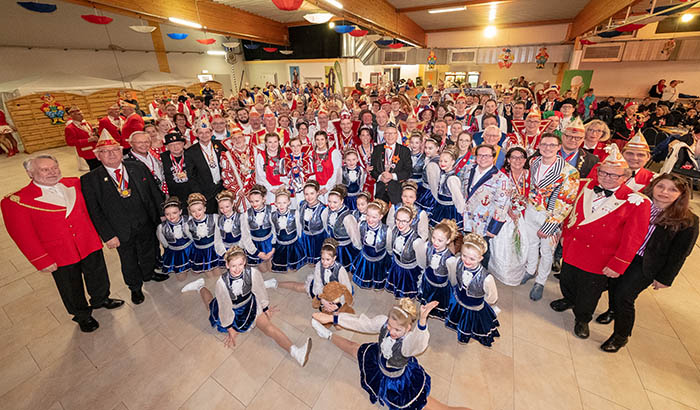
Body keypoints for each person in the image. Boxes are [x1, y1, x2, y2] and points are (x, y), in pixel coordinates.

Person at [1, 155, 124, 333]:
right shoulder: (16, 201)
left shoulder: (74, 183)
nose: (52, 172)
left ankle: (101, 298)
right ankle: (82, 315)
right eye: (45, 169)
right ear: (30, 173)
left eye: (54, 168)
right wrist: (41, 260)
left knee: (97, 274)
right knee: (70, 286)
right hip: (59, 252)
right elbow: (23, 236)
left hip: (87, 242)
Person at [551, 144, 651, 340]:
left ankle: (582, 318)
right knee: (567, 279)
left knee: (590, 291)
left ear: (624, 178)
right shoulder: (581, 185)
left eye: (614, 175)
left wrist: (618, 264)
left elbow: (633, 238)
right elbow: (567, 210)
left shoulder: (637, 202)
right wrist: (564, 234)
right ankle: (568, 299)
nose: (606, 177)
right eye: (604, 172)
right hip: (573, 247)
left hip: (599, 257)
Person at [311, 299, 471, 410]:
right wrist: (332, 317)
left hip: (397, 381)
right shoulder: (383, 323)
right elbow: (361, 323)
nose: (391, 332)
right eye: (389, 326)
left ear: (408, 328)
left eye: (397, 330)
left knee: (435, 406)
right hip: (377, 359)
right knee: (354, 347)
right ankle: (327, 335)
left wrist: (422, 322)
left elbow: (419, 344)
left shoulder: (408, 343)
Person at [599, 174, 699, 352]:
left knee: (625, 296)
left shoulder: (688, 220)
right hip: (623, 254)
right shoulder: (637, 203)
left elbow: (680, 254)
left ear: (681, 194)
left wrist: (665, 278)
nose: (664, 192)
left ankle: (621, 336)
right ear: (653, 186)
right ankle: (612, 311)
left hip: (647, 263)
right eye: (661, 186)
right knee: (613, 284)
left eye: (672, 190)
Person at [180, 247, 312, 366]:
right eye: (233, 266)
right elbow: (224, 307)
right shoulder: (222, 283)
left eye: (240, 265)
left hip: (251, 306)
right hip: (232, 310)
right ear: (227, 265)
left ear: (245, 263)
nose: (237, 269)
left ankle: (296, 352)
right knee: (210, 305)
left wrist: (265, 308)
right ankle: (200, 286)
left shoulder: (252, 273)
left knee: (269, 327)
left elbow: (260, 291)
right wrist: (230, 328)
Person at [81, 132, 168, 305]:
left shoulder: (137, 167)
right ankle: (135, 288)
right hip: (120, 229)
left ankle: (149, 273)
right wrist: (107, 235)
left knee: (149, 250)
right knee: (128, 260)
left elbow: (153, 192)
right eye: (105, 151)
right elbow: (94, 211)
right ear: (97, 156)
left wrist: (161, 212)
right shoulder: (90, 179)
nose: (112, 154)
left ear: (122, 152)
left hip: (145, 221)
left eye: (115, 150)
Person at [520, 133, 579, 301]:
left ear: (559, 147)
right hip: (531, 210)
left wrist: (550, 225)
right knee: (531, 243)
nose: (547, 148)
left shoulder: (570, 172)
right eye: (544, 144)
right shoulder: (534, 162)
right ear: (538, 146)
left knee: (546, 251)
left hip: (550, 216)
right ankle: (531, 270)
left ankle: (540, 281)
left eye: (552, 145)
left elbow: (566, 202)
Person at [445, 233, 500, 346]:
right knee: (458, 317)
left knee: (470, 324)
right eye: (464, 255)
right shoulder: (459, 262)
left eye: (472, 258)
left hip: (474, 307)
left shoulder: (486, 278)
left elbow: (492, 297)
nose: (467, 260)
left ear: (480, 258)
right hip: (459, 299)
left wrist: (480, 302)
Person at [461, 144, 510, 267]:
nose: (483, 158)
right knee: (467, 250)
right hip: (467, 220)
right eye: (480, 155)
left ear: (493, 157)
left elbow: (502, 205)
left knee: (481, 253)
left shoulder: (501, 179)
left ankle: (480, 277)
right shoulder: (468, 170)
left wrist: (493, 228)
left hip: (484, 223)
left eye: (487, 155)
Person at [488, 146, 530, 285]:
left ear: (525, 160)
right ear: (507, 159)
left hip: (524, 215)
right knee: (502, 245)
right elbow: (494, 195)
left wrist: (522, 207)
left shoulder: (530, 174)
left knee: (522, 244)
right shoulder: (501, 174)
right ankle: (501, 273)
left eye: (520, 157)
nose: (517, 160)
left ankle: (518, 273)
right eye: (513, 157)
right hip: (504, 213)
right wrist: (508, 210)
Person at [417, 219, 459, 319]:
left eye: (440, 240)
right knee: (426, 297)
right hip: (428, 280)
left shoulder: (450, 258)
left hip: (440, 286)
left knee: (438, 302)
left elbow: (452, 278)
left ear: (448, 241)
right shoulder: (428, 247)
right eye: (434, 238)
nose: (435, 242)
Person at [351, 200, 392, 289]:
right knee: (366, 272)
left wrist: (389, 255)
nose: (370, 219)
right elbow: (359, 239)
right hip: (366, 256)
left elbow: (388, 246)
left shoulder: (387, 230)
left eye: (374, 217)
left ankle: (378, 285)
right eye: (368, 215)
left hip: (380, 259)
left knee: (378, 274)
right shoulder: (361, 225)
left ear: (381, 216)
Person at [371, 126, 412, 205]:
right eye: (387, 133)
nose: (390, 136)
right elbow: (372, 169)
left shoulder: (404, 150)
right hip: (380, 190)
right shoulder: (377, 149)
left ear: (397, 135)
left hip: (396, 190)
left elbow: (408, 171)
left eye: (393, 133)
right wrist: (380, 177)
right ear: (384, 135)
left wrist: (392, 176)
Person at [270, 188, 306, 273]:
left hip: (293, 242)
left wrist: (299, 238)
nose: (281, 205)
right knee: (281, 261)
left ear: (289, 203)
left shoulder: (295, 213)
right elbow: (273, 230)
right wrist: (274, 241)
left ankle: (294, 264)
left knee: (294, 262)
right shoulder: (272, 215)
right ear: (275, 203)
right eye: (279, 203)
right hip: (280, 243)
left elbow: (299, 227)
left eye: (284, 203)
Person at [157, 196, 193, 278]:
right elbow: (164, 243)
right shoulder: (161, 227)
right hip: (176, 252)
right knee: (181, 278)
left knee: (196, 271)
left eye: (174, 213)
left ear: (180, 211)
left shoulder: (188, 220)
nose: (171, 216)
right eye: (167, 214)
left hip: (190, 249)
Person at [311, 131, 342, 203]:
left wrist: (327, 187)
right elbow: (312, 173)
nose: (319, 142)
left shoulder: (334, 152)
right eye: (317, 139)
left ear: (326, 140)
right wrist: (315, 188)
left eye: (322, 139)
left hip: (330, 187)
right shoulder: (312, 154)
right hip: (317, 189)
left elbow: (336, 172)